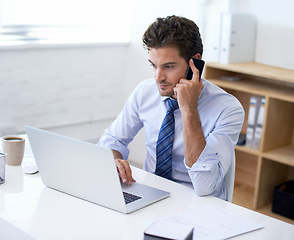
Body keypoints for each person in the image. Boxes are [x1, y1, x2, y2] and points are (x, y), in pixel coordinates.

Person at [98, 15, 244, 200]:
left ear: (194, 63)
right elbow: (112, 139)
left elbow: (205, 185)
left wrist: (189, 110)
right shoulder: (145, 92)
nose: (158, 77)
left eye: (168, 66)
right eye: (154, 66)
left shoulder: (228, 109)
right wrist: (114, 160)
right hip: (150, 193)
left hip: (198, 202)